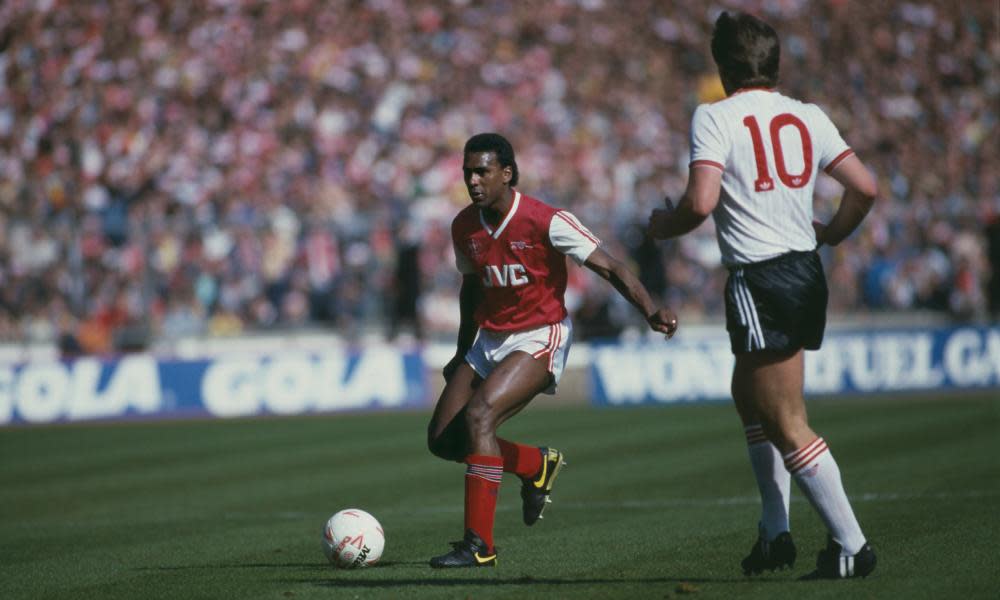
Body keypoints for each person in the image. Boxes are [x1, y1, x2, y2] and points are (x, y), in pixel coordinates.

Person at [648, 12, 878, 579]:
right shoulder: (807, 115)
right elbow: (865, 187)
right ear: (775, 63)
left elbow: (700, 204)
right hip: (803, 269)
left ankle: (851, 545)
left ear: (724, 67)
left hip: (761, 276)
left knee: (783, 418)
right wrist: (832, 232)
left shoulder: (715, 116)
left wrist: (662, 226)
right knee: (749, 397)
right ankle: (775, 534)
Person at [428, 133, 678, 568]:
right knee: (444, 441)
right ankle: (536, 464)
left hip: (540, 335)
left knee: (480, 416)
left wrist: (650, 309)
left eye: (482, 171)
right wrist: (461, 351)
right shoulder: (464, 226)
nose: (472, 180)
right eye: (468, 172)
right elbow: (471, 290)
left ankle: (479, 546)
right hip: (488, 339)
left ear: (507, 173)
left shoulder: (547, 219)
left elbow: (611, 267)